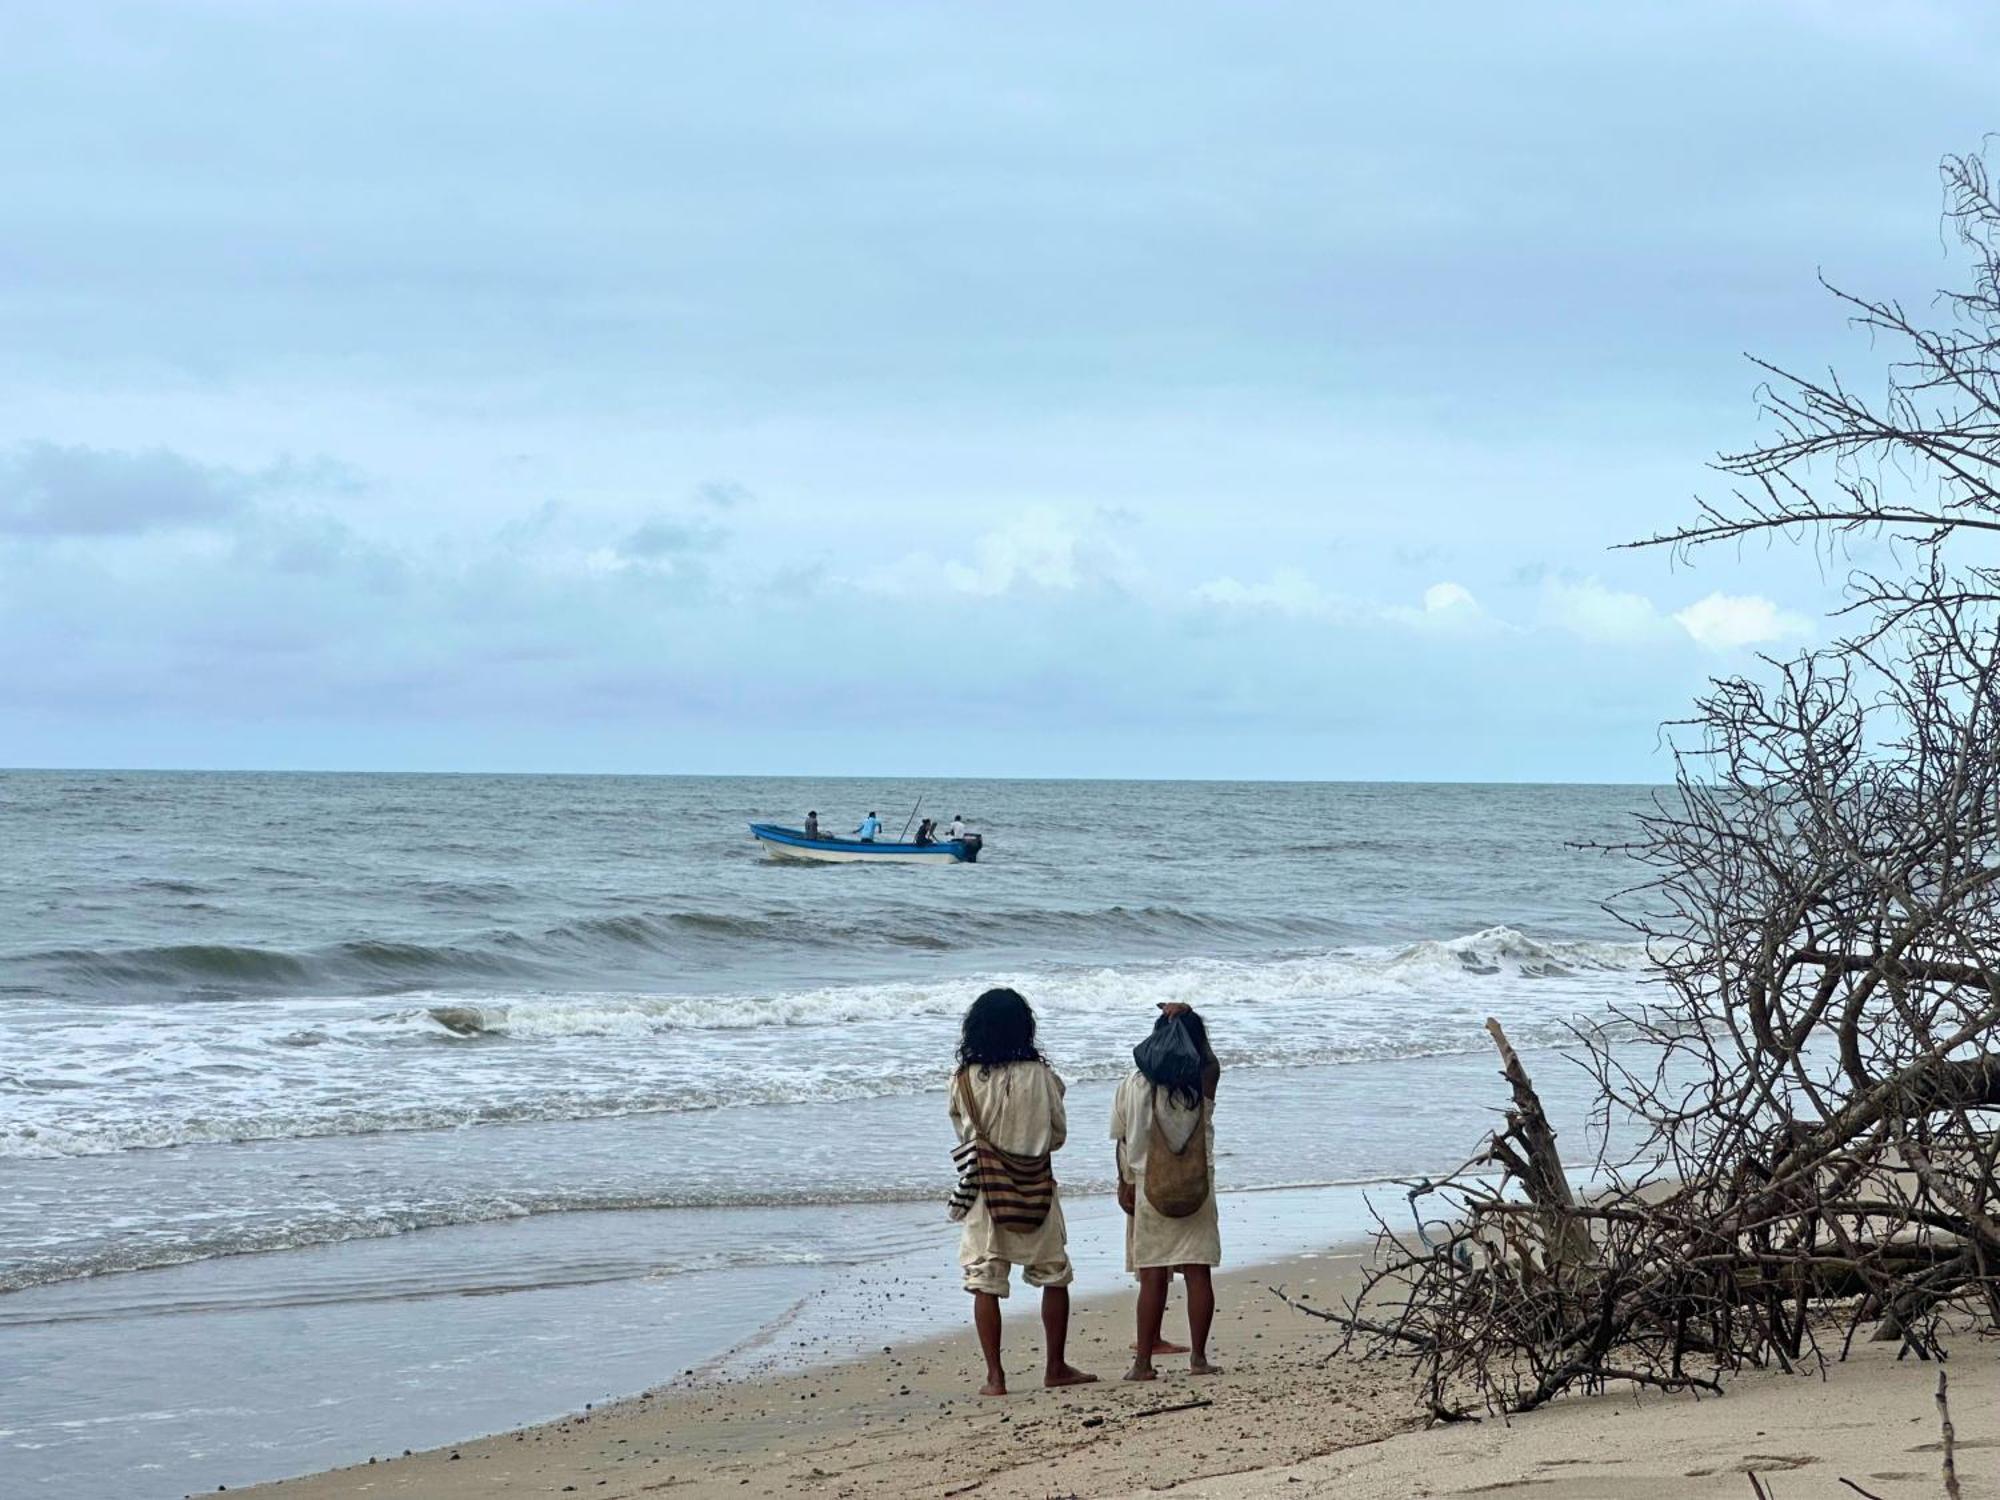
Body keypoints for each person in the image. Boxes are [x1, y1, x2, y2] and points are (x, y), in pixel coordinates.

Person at [949, 987, 1097, 1397]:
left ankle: (996, 1377)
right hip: (1036, 1188)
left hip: (986, 1195)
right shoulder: (1044, 1077)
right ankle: (1054, 1366)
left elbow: (963, 1132)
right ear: (1024, 1029)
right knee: (1054, 1274)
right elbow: (1058, 1135)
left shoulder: (962, 1081)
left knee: (985, 1279)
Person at [1111, 1002, 1222, 1381]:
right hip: (1195, 1185)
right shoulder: (1200, 1080)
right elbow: (1211, 1062)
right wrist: (1185, 1019)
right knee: (1197, 1272)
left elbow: (1123, 1139)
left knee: (1153, 1276)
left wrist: (1123, 1181)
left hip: (1148, 1184)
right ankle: (1199, 1359)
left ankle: (1143, 1363)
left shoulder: (1132, 1084)